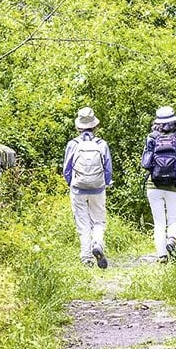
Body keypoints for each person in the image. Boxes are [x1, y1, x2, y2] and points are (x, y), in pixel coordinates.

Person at [63, 106, 112, 268]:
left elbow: (66, 169)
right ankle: (97, 244)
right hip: (98, 189)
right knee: (98, 221)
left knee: (82, 224)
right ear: (95, 126)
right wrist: (104, 183)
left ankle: (86, 258)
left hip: (78, 189)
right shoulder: (102, 144)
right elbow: (108, 168)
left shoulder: (73, 144)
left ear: (78, 126)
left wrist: (72, 183)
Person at [141, 106, 176, 263]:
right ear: (174, 120)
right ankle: (172, 240)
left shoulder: (151, 138)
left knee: (159, 222)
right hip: (175, 184)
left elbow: (145, 162)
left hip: (153, 184)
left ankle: (162, 255)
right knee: (174, 219)